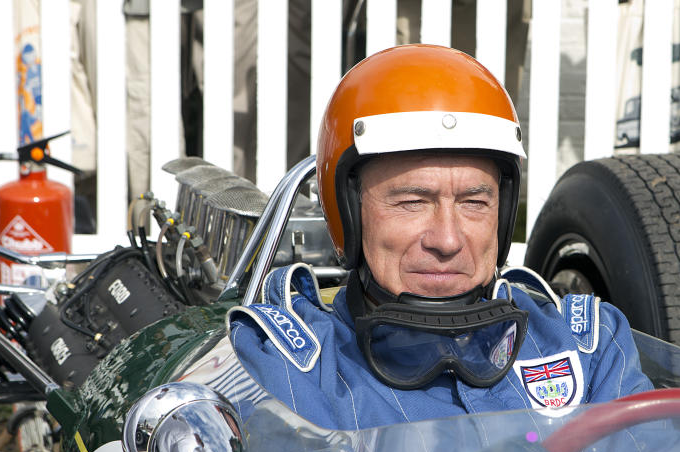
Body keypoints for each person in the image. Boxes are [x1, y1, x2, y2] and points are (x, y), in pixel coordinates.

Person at [228, 44, 653, 430]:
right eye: (413, 201)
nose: (447, 240)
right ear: (349, 215)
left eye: (474, 202)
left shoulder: (588, 344)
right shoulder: (295, 372)